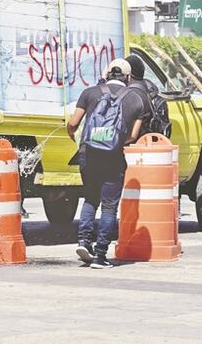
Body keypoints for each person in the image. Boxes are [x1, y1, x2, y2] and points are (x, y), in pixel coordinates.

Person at [67, 58, 144, 269]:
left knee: (90, 199)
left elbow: (73, 123)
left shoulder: (90, 93)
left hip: (88, 154)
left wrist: (74, 135)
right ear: (128, 77)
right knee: (109, 207)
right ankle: (100, 255)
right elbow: (132, 136)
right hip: (113, 157)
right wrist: (113, 138)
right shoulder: (136, 100)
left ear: (108, 73)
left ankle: (84, 242)